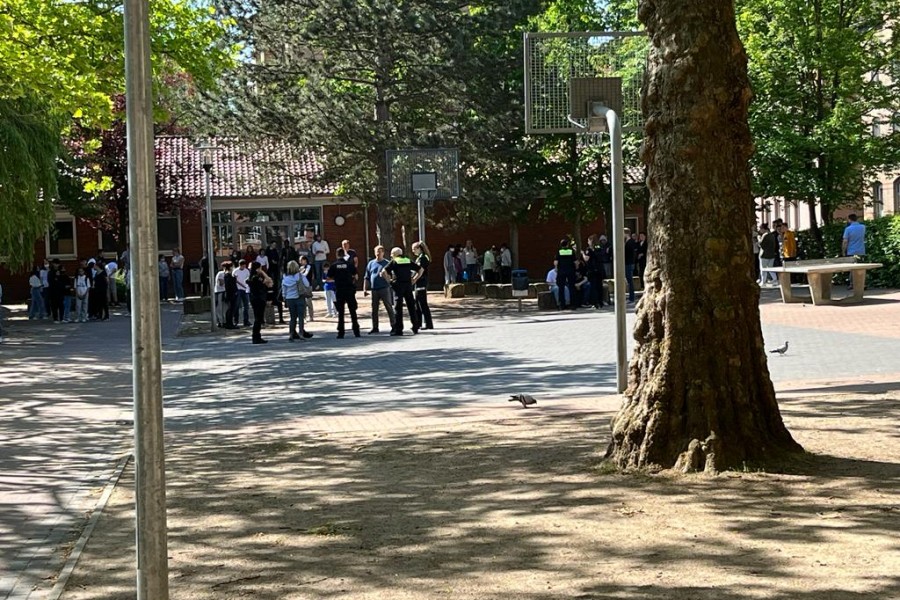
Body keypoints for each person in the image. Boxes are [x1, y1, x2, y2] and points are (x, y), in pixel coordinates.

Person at [381, 246, 423, 336]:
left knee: (398, 308)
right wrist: (415, 279)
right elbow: (421, 269)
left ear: (395, 254)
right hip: (408, 286)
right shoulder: (407, 260)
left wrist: (389, 281)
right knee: (411, 306)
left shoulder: (394, 261)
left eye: (392, 255)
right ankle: (415, 326)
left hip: (398, 286)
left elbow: (384, 271)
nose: (391, 256)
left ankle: (398, 330)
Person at [326, 248, 360, 338]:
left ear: (337, 255)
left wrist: (336, 279)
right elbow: (355, 275)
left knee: (341, 312)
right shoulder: (349, 264)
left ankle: (341, 332)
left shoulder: (334, 265)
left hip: (340, 290)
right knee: (353, 311)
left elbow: (328, 278)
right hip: (349, 289)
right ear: (344, 255)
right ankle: (356, 331)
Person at [363, 245, 395, 334]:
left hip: (384, 288)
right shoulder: (371, 263)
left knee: (388, 307)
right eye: (376, 251)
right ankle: (375, 327)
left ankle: (394, 326)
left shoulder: (387, 263)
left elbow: (392, 276)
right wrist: (365, 289)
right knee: (374, 309)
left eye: (379, 252)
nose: (378, 253)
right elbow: (367, 277)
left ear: (383, 253)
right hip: (374, 289)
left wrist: (387, 277)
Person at [282, 260, 312, 342]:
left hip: (289, 298)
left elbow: (284, 290)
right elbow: (307, 284)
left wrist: (284, 298)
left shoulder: (285, 278)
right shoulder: (300, 276)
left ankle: (291, 334)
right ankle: (301, 333)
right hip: (299, 297)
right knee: (301, 317)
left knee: (293, 317)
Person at [247, 261, 273, 344]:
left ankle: (257, 336)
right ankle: (256, 337)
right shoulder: (256, 277)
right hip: (259, 299)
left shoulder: (251, 277)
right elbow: (269, 280)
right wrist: (262, 272)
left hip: (254, 299)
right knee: (258, 319)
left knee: (258, 318)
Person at [412, 240, 434, 330]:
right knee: (417, 304)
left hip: (421, 282)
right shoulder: (419, 258)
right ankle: (418, 323)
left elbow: (421, 271)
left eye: (414, 249)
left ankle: (428, 324)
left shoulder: (423, 258)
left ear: (419, 248)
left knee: (422, 304)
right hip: (418, 282)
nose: (413, 251)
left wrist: (414, 279)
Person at [233, 259, 252, 326]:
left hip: (245, 290)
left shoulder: (246, 271)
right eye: (242, 265)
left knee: (246, 306)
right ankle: (236, 321)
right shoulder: (235, 271)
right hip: (238, 289)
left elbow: (249, 279)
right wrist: (242, 285)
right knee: (237, 305)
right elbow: (234, 280)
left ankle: (246, 321)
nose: (243, 267)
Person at [623, 228, 638, 303]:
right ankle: (631, 296)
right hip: (628, 263)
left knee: (629, 280)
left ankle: (631, 297)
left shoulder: (630, 242)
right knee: (628, 280)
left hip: (629, 263)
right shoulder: (628, 242)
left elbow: (629, 253)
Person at [222, 261, 239, 329]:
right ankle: (229, 323)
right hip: (231, 294)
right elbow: (230, 285)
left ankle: (229, 323)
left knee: (231, 309)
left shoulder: (229, 275)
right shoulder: (228, 275)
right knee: (231, 309)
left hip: (231, 294)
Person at [299, 255, 315, 322]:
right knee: (303, 302)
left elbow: (305, 274)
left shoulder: (308, 266)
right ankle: (304, 316)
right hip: (302, 286)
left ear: (305, 260)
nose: (300, 262)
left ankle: (311, 316)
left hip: (308, 286)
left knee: (309, 302)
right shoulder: (301, 267)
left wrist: (300, 273)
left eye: (301, 260)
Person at [214, 260, 228, 327]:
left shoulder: (228, 274)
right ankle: (220, 321)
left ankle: (224, 321)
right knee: (220, 307)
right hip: (220, 292)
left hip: (225, 292)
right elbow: (221, 283)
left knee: (225, 307)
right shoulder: (221, 273)